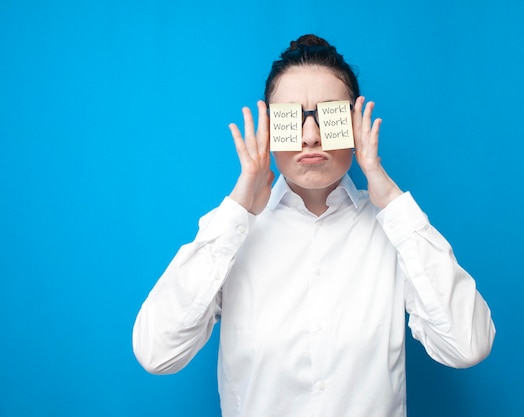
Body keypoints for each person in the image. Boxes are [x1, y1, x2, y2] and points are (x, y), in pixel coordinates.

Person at [133, 34, 495, 417]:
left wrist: (391, 199)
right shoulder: (233, 236)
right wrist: (236, 210)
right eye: (290, 118)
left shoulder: (394, 234)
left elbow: (467, 346)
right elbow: (157, 353)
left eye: (330, 117)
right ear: (270, 129)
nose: (310, 137)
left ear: (355, 124)